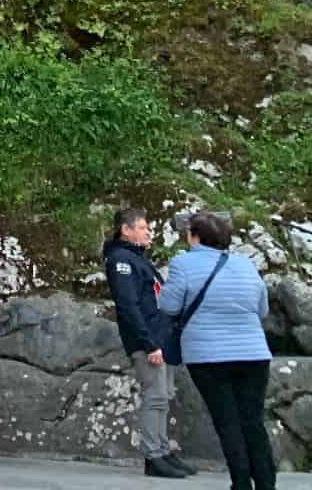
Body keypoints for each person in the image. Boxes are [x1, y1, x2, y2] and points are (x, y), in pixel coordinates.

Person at [159, 212, 274, 490]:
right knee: (253, 420)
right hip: (254, 354)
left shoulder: (183, 263)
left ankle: (241, 484)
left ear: (194, 236)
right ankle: (267, 484)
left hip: (208, 355)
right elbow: (262, 309)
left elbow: (169, 306)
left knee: (227, 421)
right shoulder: (245, 264)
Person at [104, 207, 195, 479]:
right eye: (143, 227)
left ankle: (163, 450)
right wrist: (148, 343)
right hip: (148, 342)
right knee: (154, 397)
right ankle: (153, 456)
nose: (148, 232)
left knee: (163, 398)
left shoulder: (139, 260)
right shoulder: (121, 259)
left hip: (159, 339)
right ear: (126, 229)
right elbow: (128, 306)